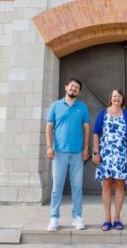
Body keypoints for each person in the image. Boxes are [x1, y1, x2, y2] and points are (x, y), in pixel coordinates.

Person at [46, 78, 90, 232]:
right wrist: (49, 147)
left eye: (76, 87)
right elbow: (49, 127)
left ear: (79, 91)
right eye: (71, 86)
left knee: (77, 187)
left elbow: (86, 128)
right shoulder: (55, 106)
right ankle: (54, 218)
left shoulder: (82, 107)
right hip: (59, 153)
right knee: (57, 187)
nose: (73, 89)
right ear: (66, 87)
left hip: (77, 153)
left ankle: (77, 217)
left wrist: (86, 148)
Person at [92, 89, 127, 231]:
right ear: (111, 98)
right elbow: (96, 133)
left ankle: (117, 218)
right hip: (106, 156)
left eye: (119, 96)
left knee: (120, 185)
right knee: (106, 184)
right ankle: (107, 219)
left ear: (122, 99)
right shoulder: (103, 113)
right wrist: (96, 153)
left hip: (121, 155)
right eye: (114, 96)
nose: (117, 98)